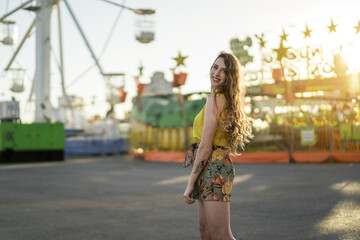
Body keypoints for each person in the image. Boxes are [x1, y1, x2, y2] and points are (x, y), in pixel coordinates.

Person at [183, 51, 253, 240]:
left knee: (221, 235)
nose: (217, 73)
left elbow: (205, 146)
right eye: (215, 67)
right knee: (205, 233)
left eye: (224, 71)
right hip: (207, 167)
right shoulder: (218, 98)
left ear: (230, 77)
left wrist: (190, 183)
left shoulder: (216, 99)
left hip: (214, 167)